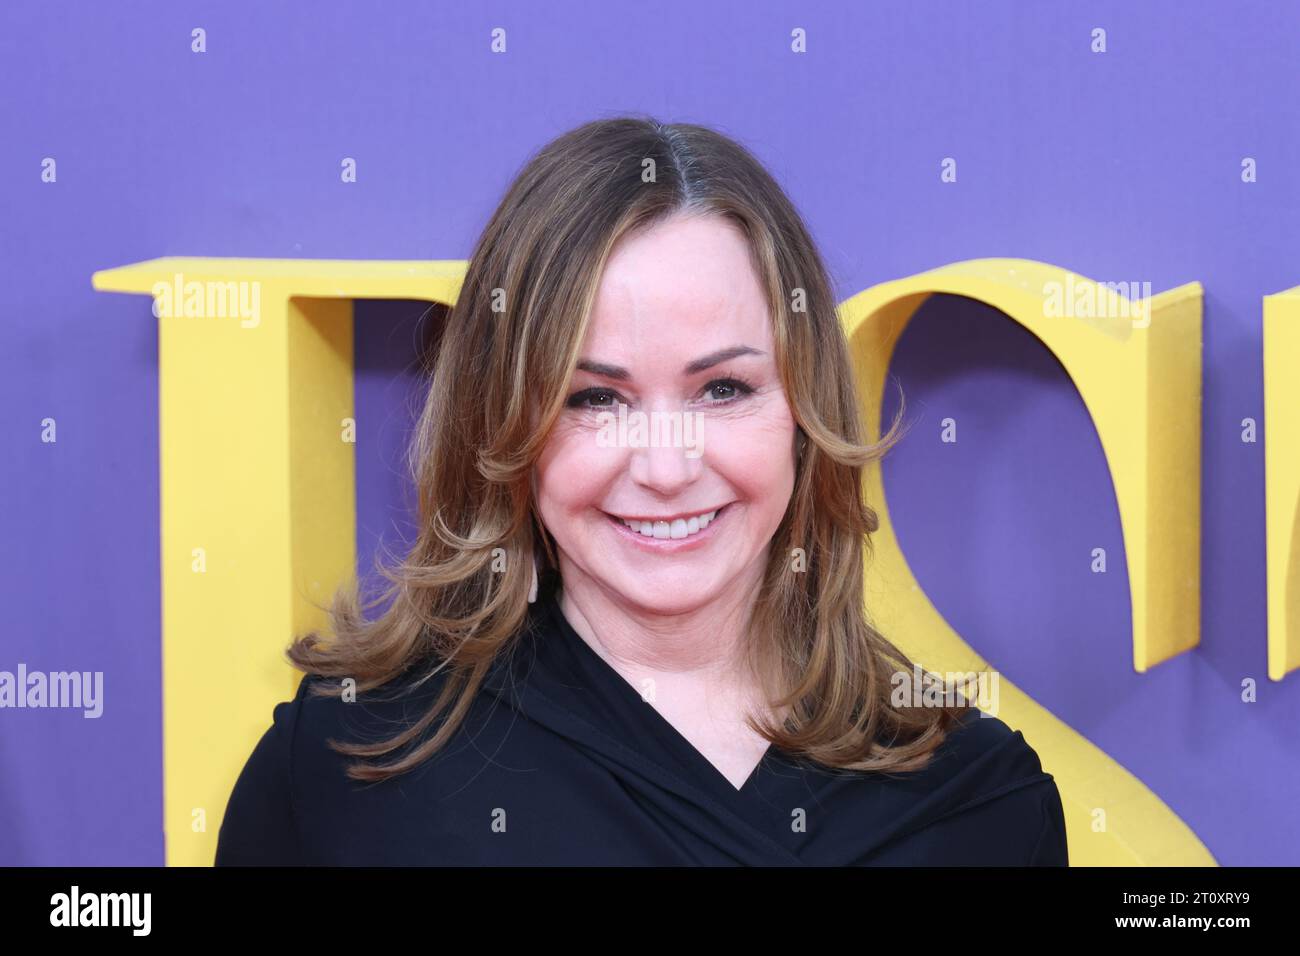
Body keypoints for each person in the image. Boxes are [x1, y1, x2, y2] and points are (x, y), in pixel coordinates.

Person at [215, 116, 1068, 866]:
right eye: (594, 399)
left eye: (723, 390)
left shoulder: (980, 803)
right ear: (503, 426)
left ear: (807, 412)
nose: (666, 467)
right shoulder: (348, 762)